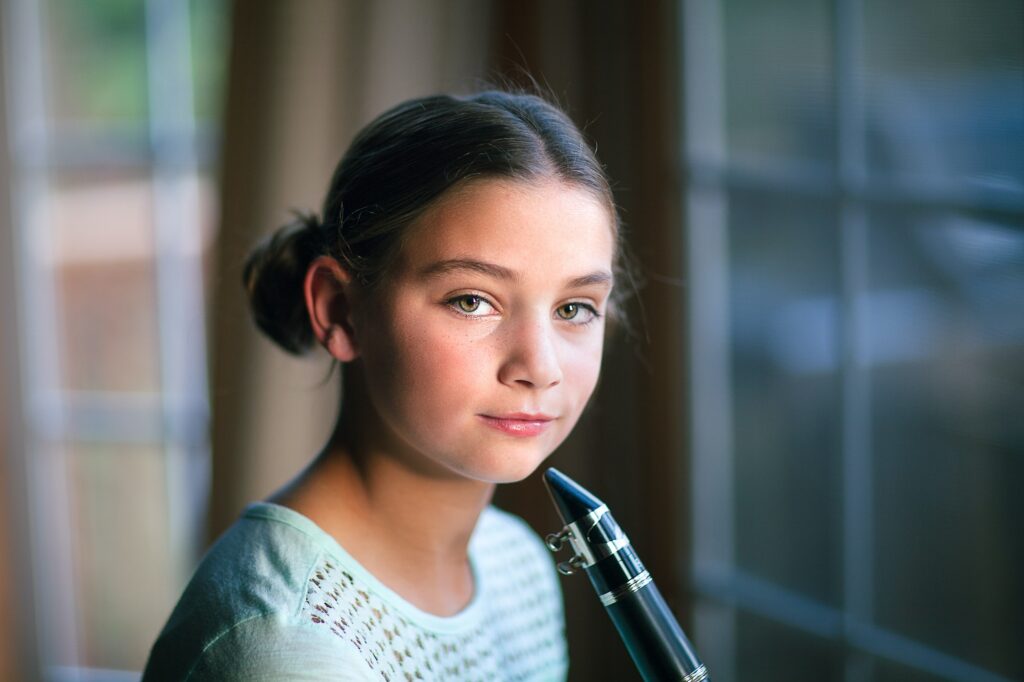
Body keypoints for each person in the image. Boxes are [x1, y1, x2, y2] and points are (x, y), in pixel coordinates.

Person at [142, 89, 627, 681]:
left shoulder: (515, 561)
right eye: (472, 301)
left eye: (575, 308)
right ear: (341, 311)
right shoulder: (284, 646)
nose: (540, 367)